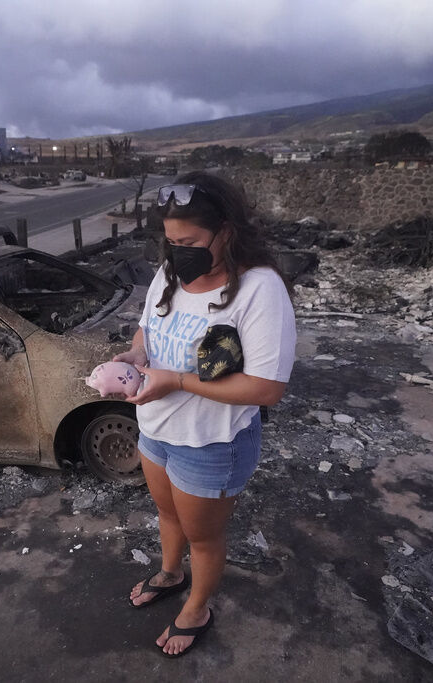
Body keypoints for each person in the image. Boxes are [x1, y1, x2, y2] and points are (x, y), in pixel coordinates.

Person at [115, 171, 296, 657]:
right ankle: (171, 574)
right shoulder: (171, 273)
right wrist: (136, 356)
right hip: (156, 428)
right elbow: (145, 330)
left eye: (190, 241)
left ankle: (197, 607)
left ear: (227, 230)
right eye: (171, 242)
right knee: (167, 515)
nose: (178, 253)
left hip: (212, 441)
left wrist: (175, 381)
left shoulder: (259, 289)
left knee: (204, 536)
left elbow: (268, 388)